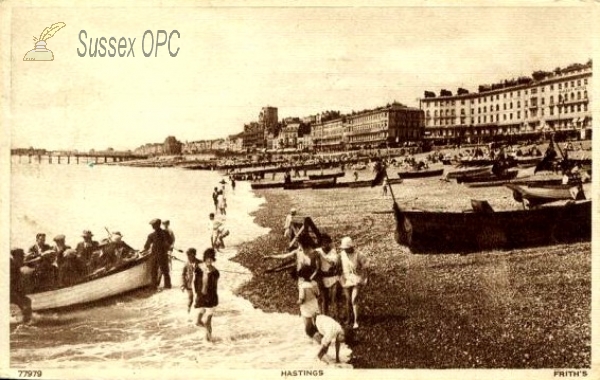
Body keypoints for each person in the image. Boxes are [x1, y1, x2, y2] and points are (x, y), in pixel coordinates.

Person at [339, 236, 368, 329]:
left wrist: (364, 275)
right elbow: (336, 263)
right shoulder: (342, 254)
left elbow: (366, 265)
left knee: (354, 299)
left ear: (351, 247)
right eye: (344, 248)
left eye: (347, 248)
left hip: (356, 278)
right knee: (348, 300)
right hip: (346, 278)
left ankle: (356, 321)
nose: (345, 250)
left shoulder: (358, 254)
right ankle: (348, 318)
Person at [194, 248, 220, 342]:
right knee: (199, 319)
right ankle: (207, 333)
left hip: (211, 298)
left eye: (211, 259)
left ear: (213, 259)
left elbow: (214, 288)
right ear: (205, 258)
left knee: (208, 321)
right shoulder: (199, 269)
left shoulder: (215, 272)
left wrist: (210, 272)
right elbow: (196, 283)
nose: (209, 260)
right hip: (201, 297)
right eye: (207, 258)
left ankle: (209, 340)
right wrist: (197, 294)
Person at [316, 234, 341, 319]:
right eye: (323, 243)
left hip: (333, 277)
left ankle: (337, 317)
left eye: (327, 242)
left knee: (335, 299)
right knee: (324, 299)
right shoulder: (318, 251)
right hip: (323, 277)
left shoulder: (333, 251)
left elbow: (332, 262)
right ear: (321, 243)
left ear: (329, 243)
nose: (325, 244)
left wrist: (322, 256)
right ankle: (324, 317)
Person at [143, 218, 173, 290]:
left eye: (153, 225)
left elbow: (146, 246)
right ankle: (167, 285)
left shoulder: (151, 235)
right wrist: (166, 246)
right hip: (163, 254)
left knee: (154, 271)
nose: (152, 226)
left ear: (156, 225)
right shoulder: (165, 233)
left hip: (155, 255)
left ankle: (153, 286)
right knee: (165, 270)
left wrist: (145, 250)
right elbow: (170, 241)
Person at [10, 248, 32, 323]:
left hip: (14, 292)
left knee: (27, 301)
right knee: (25, 303)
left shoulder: (15, 264)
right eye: (21, 257)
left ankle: (24, 320)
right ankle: (24, 321)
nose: (23, 259)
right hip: (10, 293)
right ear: (16, 256)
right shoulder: (11, 266)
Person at [297, 266, 320, 338]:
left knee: (308, 326)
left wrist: (298, 302)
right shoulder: (314, 284)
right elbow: (318, 294)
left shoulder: (302, 286)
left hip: (306, 307)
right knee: (316, 323)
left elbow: (302, 299)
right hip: (314, 304)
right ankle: (319, 335)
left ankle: (312, 338)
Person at [181, 248, 201, 313]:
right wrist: (183, 284)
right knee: (190, 298)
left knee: (198, 298)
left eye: (189, 255)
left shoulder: (201, 263)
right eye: (187, 255)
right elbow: (183, 275)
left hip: (198, 284)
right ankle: (188, 311)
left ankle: (199, 313)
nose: (188, 257)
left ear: (194, 255)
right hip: (189, 283)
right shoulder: (186, 264)